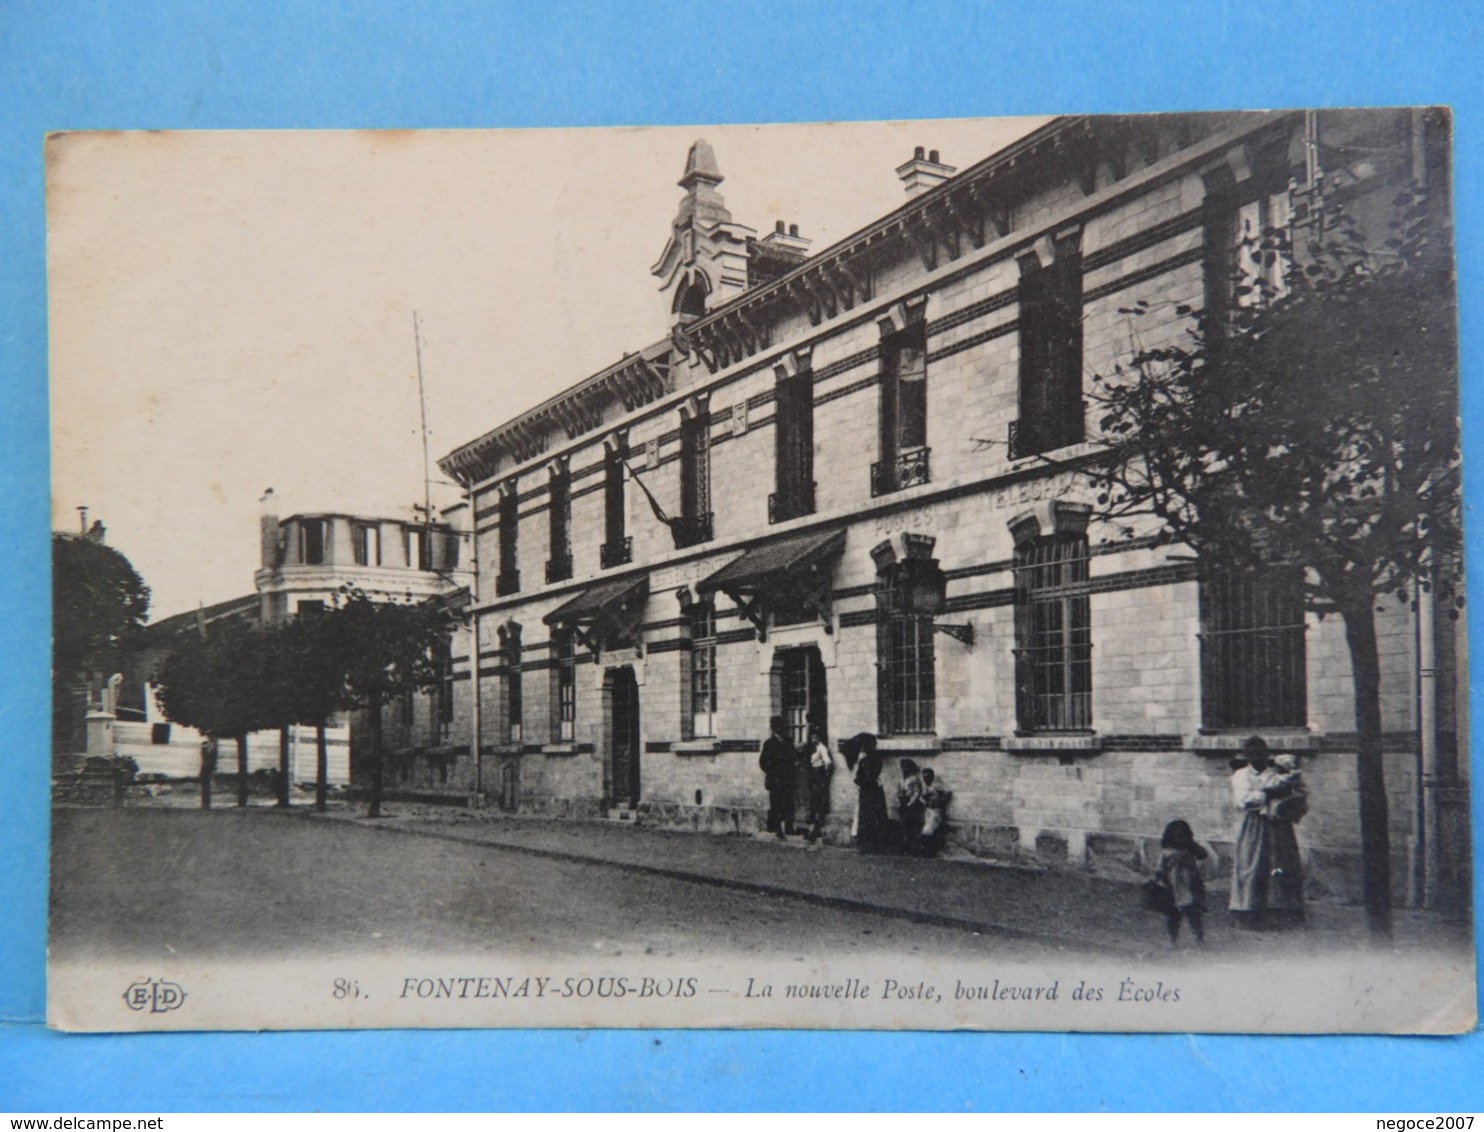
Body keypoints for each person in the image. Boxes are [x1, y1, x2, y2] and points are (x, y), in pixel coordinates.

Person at [1229, 736, 1307, 929]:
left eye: (1261, 753)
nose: (1257, 757)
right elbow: (1245, 800)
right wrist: (1270, 793)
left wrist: (1288, 799)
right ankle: (1250, 911)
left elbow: (1298, 793)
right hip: (1254, 825)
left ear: (1267, 754)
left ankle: (1282, 910)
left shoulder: (1276, 773)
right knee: (1253, 866)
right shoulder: (1240, 775)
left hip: (1279, 826)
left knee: (1280, 866)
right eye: (1252, 754)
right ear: (1246, 756)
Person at [1152, 819, 1208, 945]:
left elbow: (1203, 854)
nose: (1180, 840)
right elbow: (1160, 869)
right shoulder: (1166, 852)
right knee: (1173, 915)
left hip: (1191, 885)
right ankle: (1173, 939)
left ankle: (1199, 938)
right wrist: (1159, 881)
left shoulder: (1189, 849)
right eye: (1177, 837)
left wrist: (1193, 845)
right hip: (1173, 887)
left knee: (1194, 914)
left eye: (1183, 837)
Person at [840, 732, 889, 852]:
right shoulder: (877, 759)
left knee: (866, 815)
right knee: (876, 815)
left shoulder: (865, 761)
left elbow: (859, 778)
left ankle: (868, 843)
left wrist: (861, 781)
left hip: (867, 791)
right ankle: (876, 843)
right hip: (875, 790)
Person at [759, 715, 796, 839]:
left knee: (789, 803)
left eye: (780, 727)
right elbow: (763, 762)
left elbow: (793, 758)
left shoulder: (789, 741)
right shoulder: (769, 744)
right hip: (775, 780)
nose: (778, 730)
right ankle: (777, 828)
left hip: (788, 779)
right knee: (776, 804)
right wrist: (772, 772)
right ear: (773, 729)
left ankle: (789, 828)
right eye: (775, 727)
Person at [802, 724, 835, 843]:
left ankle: (816, 830)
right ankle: (811, 829)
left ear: (819, 738)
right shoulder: (811, 748)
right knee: (812, 802)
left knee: (818, 803)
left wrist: (824, 776)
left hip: (818, 776)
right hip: (812, 776)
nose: (814, 740)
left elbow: (829, 763)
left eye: (816, 737)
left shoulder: (822, 748)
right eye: (812, 738)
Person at [913, 767, 952, 858]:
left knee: (928, 830)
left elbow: (948, 793)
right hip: (928, 810)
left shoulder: (937, 786)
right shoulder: (925, 787)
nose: (926, 778)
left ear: (932, 776)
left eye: (928, 776)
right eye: (924, 777)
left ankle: (922, 851)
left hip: (936, 811)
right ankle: (927, 851)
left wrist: (941, 801)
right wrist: (924, 801)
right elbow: (922, 798)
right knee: (928, 830)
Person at [896, 759, 925, 851]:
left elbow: (917, 792)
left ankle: (911, 845)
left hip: (911, 804)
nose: (904, 770)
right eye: (902, 768)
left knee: (911, 824)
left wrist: (910, 803)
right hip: (903, 803)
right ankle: (905, 843)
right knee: (903, 824)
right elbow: (898, 791)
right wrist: (899, 801)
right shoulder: (901, 780)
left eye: (906, 767)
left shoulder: (914, 779)